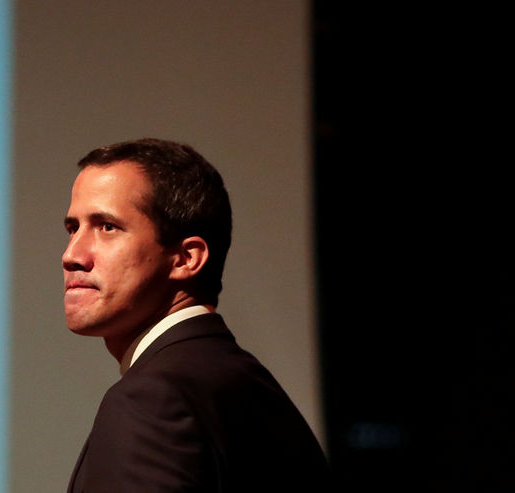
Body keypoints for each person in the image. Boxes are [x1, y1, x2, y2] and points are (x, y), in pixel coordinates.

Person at [63, 138, 329, 492]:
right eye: (73, 228)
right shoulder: (234, 379)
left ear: (187, 258)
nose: (72, 254)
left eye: (107, 227)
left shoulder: (154, 398)